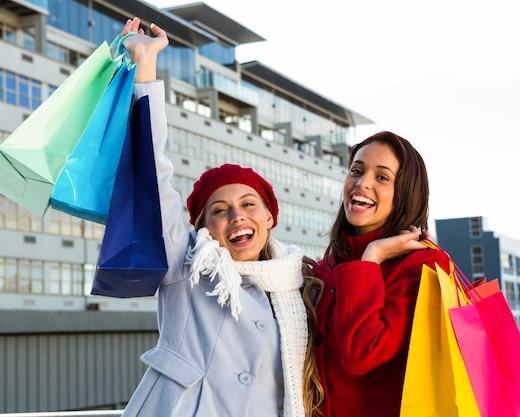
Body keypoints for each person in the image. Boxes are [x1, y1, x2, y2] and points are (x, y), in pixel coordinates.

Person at [116, 18, 323, 417]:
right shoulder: (186, 266)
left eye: (249, 204)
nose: (237, 217)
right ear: (203, 227)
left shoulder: (298, 285)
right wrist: (144, 63)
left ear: (269, 217)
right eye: (220, 210)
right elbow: (152, 177)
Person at [310, 131, 452, 417]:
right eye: (356, 170)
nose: (362, 183)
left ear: (405, 192)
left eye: (382, 177)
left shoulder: (425, 265)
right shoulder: (327, 267)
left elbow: (362, 355)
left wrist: (371, 257)